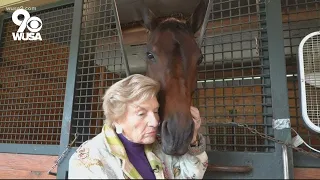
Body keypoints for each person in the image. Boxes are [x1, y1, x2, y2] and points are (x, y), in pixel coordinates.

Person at [68, 74, 208, 179]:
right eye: (141, 113)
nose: (155, 122)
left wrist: (193, 137)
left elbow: (190, 176)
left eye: (155, 111)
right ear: (117, 118)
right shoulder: (88, 160)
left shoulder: (159, 147)